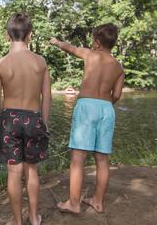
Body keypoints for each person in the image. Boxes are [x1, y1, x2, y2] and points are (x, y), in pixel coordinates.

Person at [50, 23, 124, 215]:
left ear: (97, 42)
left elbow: (70, 48)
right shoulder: (118, 67)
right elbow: (116, 94)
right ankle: (98, 202)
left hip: (86, 107)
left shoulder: (90, 54)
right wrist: (106, 105)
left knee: (78, 158)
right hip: (106, 109)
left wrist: (57, 42)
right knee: (102, 158)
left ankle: (74, 203)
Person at [0, 13, 51, 225]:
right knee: (31, 170)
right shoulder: (40, 62)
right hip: (34, 119)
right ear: (30, 35)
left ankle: (17, 222)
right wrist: (44, 123)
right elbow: (47, 98)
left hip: (9, 120)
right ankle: (34, 218)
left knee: (14, 172)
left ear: (8, 36)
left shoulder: (0, 64)